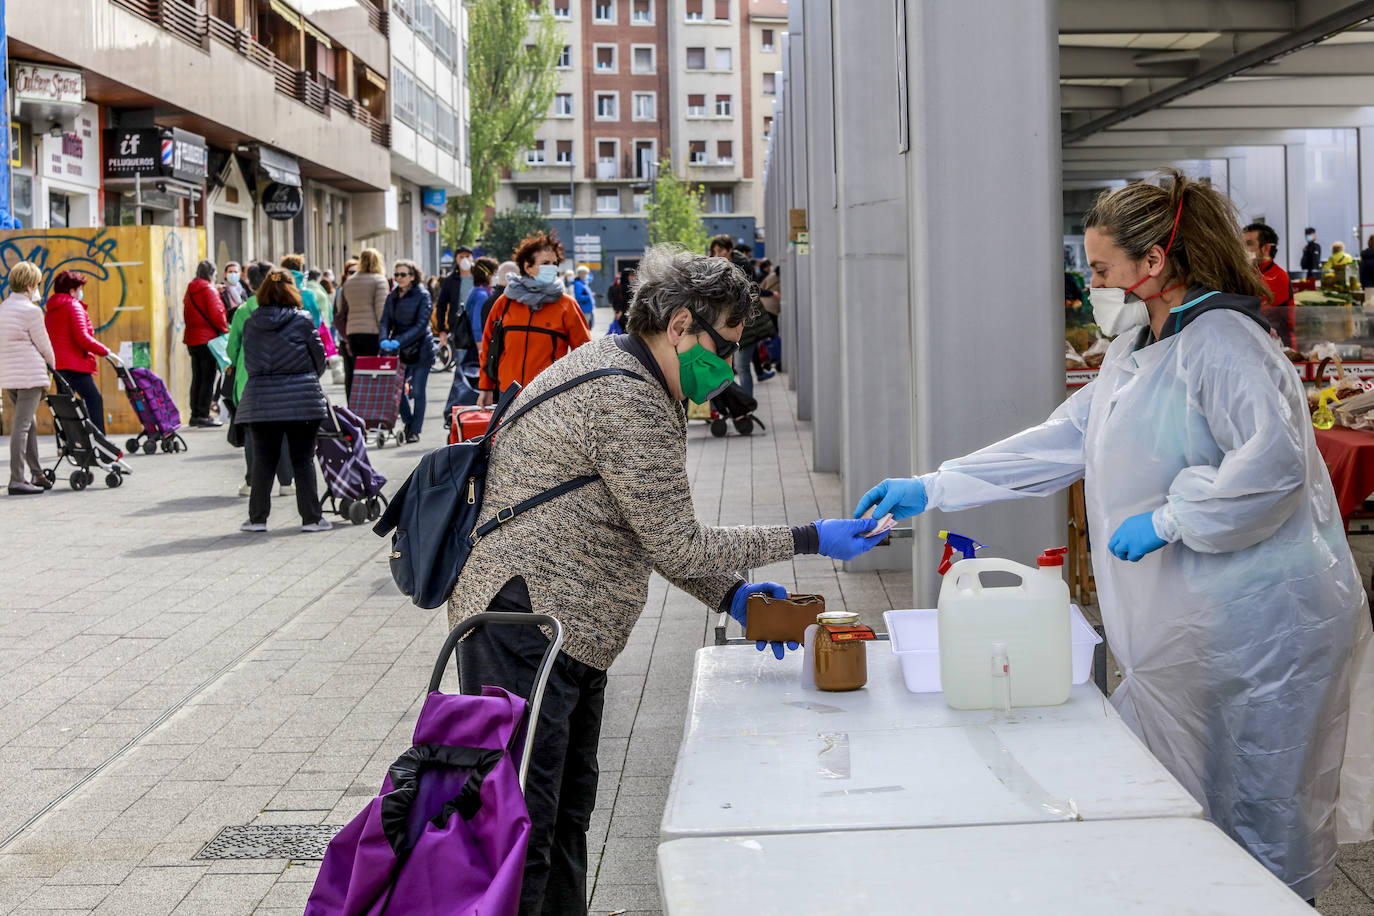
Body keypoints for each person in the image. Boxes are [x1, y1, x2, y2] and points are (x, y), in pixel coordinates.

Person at [855, 170, 1374, 904]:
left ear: (1154, 263)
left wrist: (1172, 520)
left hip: (1266, 626)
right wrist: (935, 487)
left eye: (1101, 268)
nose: (1093, 281)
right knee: (1190, 799)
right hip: (1192, 625)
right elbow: (1065, 439)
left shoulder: (1225, 342)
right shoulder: (1145, 344)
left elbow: (1276, 465)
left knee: (1261, 809)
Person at [450, 245, 882, 914]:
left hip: (549, 630)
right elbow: (677, 541)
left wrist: (733, 596)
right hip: (527, 629)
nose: (728, 366)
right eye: (724, 346)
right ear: (679, 326)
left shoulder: (622, 369)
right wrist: (810, 537)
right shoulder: (631, 397)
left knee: (561, 818)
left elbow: (647, 530)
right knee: (525, 833)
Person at [235, 268, 330, 533]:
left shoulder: (252, 321)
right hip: (302, 400)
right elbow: (319, 359)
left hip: (261, 401)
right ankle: (311, 519)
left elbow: (250, 361)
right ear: (292, 291)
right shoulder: (303, 320)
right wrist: (306, 376)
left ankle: (257, 519)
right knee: (302, 460)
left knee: (264, 460)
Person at [476, 233, 592, 407]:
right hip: (507, 394)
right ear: (528, 267)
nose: (552, 268)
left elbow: (584, 354)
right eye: (545, 263)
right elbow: (489, 346)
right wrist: (485, 387)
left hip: (549, 397)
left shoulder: (567, 304)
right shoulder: (505, 302)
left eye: (554, 264)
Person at [226, 261, 294, 498]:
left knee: (253, 435)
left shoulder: (244, 311)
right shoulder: (289, 309)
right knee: (283, 432)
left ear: (250, 282)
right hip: (283, 382)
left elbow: (231, 350)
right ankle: (287, 482)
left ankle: (252, 482)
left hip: (249, 382)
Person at [1, 261, 56, 495]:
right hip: (31, 376)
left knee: (28, 423)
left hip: (10, 377)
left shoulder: (3, 308)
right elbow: (44, 345)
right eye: (37, 284)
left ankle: (37, 472)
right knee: (21, 426)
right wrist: (54, 367)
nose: (38, 288)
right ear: (29, 285)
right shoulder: (32, 312)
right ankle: (17, 479)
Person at [44, 270, 113, 433]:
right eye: (80, 289)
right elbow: (81, 337)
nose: (81, 293)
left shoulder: (52, 309)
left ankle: (66, 444)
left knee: (66, 406)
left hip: (59, 365)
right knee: (94, 399)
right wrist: (105, 351)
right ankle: (99, 440)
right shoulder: (73, 305)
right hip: (75, 364)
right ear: (72, 290)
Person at [378, 258, 434, 443]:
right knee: (397, 390)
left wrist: (397, 341)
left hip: (421, 348)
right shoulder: (392, 296)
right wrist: (384, 339)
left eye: (402, 274)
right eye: (396, 274)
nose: (398, 278)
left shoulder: (423, 295)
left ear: (412, 276)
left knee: (418, 391)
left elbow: (421, 326)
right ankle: (408, 421)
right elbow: (385, 320)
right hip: (400, 350)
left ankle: (414, 430)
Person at [336, 248, 389, 400]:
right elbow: (381, 310)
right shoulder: (379, 280)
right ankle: (371, 407)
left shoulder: (349, 282)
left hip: (353, 332)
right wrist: (385, 333)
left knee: (356, 372)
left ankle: (356, 407)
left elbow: (341, 310)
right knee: (372, 372)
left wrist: (345, 335)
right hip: (372, 333)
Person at [184, 259, 228, 427]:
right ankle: (204, 414)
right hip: (208, 340)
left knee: (197, 377)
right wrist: (225, 331)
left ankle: (195, 414)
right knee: (208, 378)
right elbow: (217, 314)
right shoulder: (209, 290)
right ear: (211, 273)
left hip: (192, 339)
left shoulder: (191, 289)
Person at [1243, 222, 1294, 348]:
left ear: (1266, 249)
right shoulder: (1250, 272)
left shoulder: (1277, 275)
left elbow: (1251, 309)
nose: (1242, 248)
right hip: (1257, 342)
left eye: (1249, 244)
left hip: (1277, 346)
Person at [279, 254, 323, 327]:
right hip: (302, 335)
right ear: (300, 269)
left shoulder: (275, 291)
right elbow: (316, 320)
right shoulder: (307, 294)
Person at [572, 264, 595, 329]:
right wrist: (589, 296)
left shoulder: (583, 283)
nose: (587, 275)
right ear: (581, 274)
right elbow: (579, 297)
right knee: (583, 328)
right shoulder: (578, 284)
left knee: (586, 327)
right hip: (584, 310)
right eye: (586, 273)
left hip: (587, 309)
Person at [1361, 235, 1374, 306]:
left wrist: (1364, 286)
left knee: (1370, 313)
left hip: (1368, 288)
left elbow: (1362, 275)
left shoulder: (1365, 257)